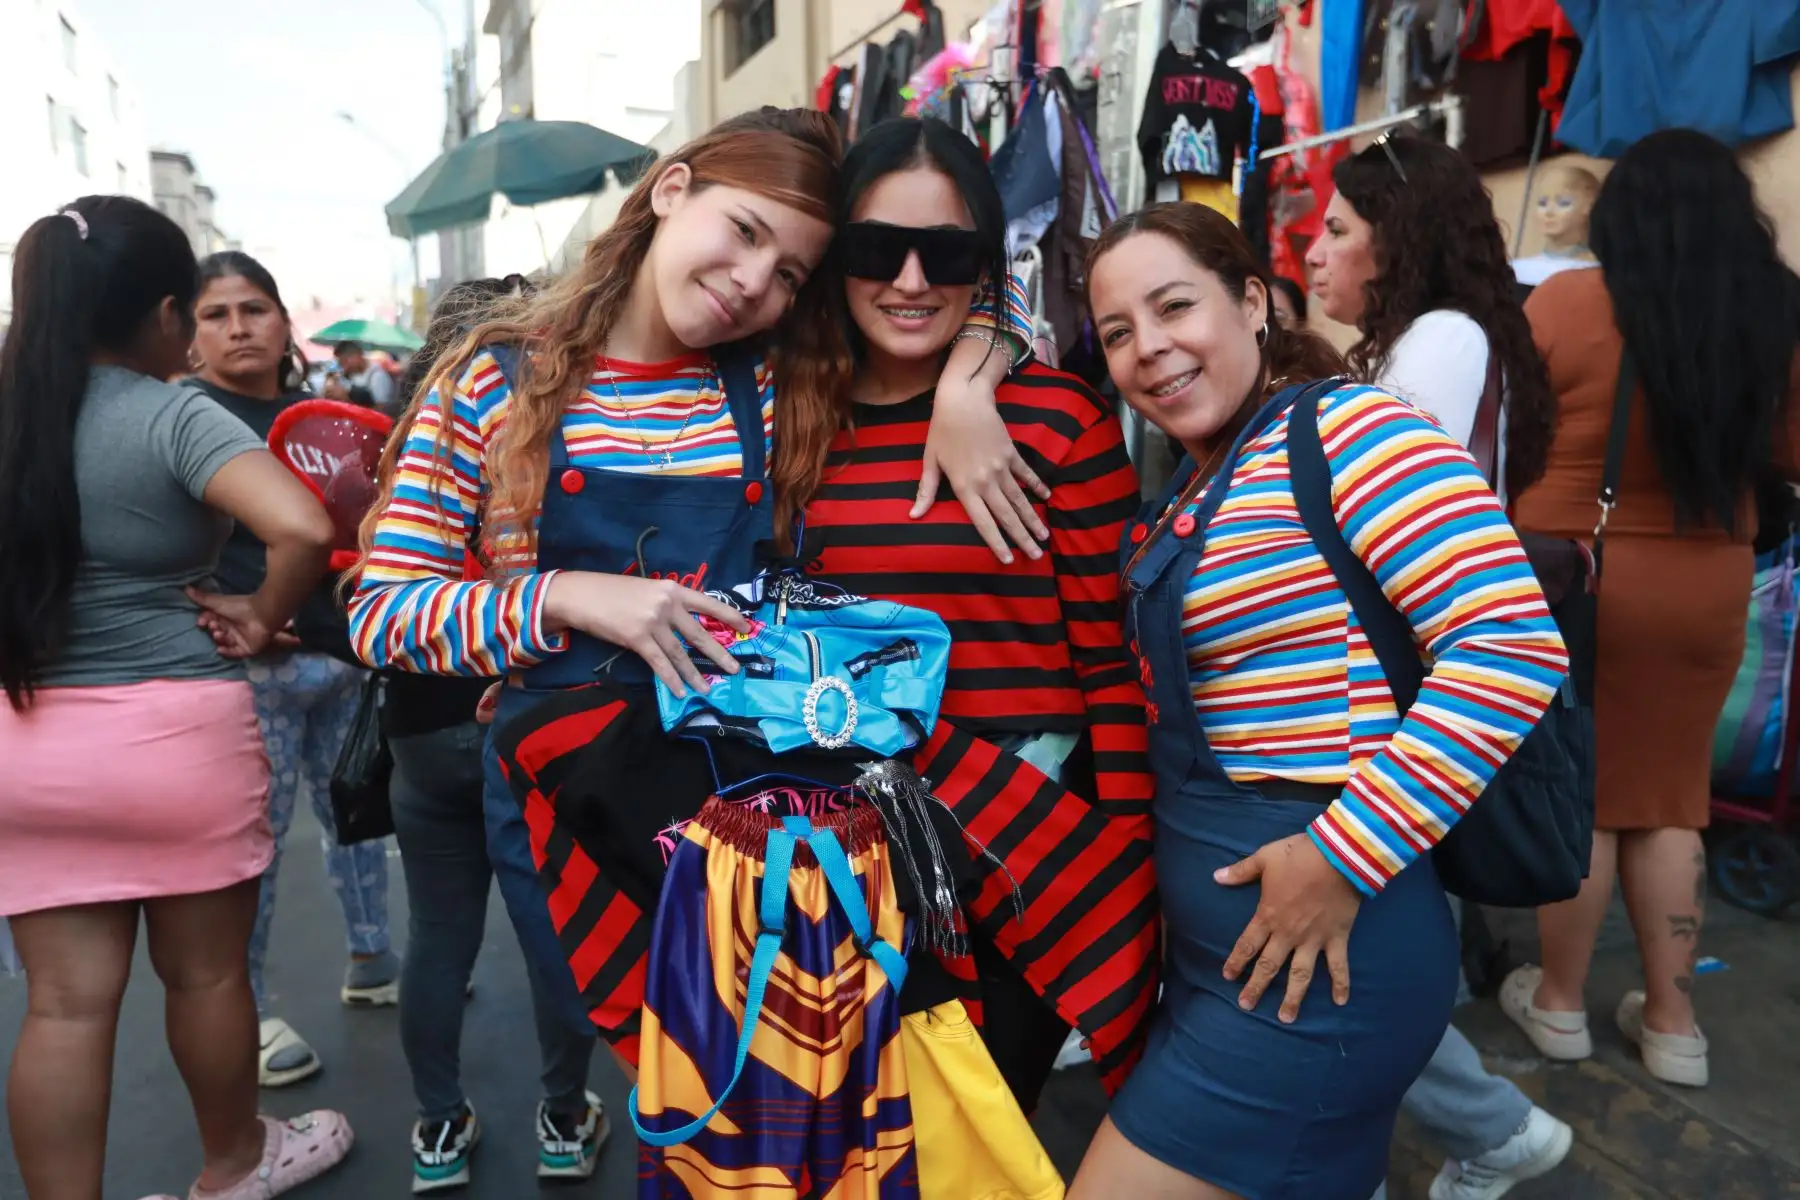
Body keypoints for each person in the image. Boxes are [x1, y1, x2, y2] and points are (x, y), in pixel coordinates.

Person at [350, 107, 1041, 1175]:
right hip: (567, 802)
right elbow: (384, 613)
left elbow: (956, 287)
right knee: (670, 1079)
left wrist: (965, 381)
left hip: (750, 804)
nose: (753, 283)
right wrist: (572, 597)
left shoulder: (775, 375)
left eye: (790, 272)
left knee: (785, 1098)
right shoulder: (496, 378)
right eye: (745, 231)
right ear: (671, 190)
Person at [1071, 201, 1569, 1200]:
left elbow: (1510, 643)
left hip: (1321, 969)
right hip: (1233, 964)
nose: (1148, 348)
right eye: (1118, 333)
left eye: (1174, 307)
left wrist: (1344, 854)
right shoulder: (1205, 479)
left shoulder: (1349, 427)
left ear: (1254, 302)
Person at [794, 114, 1157, 1138]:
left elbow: (1114, 670)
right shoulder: (789, 420)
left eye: (947, 254)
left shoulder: (1057, 422)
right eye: (878, 248)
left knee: (968, 1146)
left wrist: (1129, 878)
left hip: (1022, 859)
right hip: (830, 860)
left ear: (986, 265)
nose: (911, 280)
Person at [0, 197, 351, 1200]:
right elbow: (301, 527)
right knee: (206, 976)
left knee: (63, 1007)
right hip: (175, 740)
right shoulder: (171, 413)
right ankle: (235, 1165)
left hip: (27, 743)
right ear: (165, 315)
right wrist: (259, 615)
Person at [1504, 128, 1800, 1091]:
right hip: (1706, 578)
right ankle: (1675, 1026)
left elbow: (1515, 430)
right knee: (1672, 800)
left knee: (1583, 791)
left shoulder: (1567, 301)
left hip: (1574, 574)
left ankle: (1558, 1003)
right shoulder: (1775, 313)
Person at [1307, 133, 1572, 1200]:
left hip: (1407, 681)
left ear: (1396, 237)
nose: (1314, 250)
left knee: (1366, 949)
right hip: (1408, 675)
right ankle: (1483, 1131)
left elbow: (1370, 530)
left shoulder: (1441, 343)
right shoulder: (1437, 340)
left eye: (1336, 229)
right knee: (1367, 949)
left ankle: (1491, 1130)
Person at [378, 275, 603, 1192]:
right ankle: (563, 1119)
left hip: (424, 727)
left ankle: (438, 1126)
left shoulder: (405, 453)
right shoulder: (557, 438)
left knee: (438, 935)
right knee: (557, 925)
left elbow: (367, 592)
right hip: (536, 714)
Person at [188, 251, 396, 1090]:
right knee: (254, 848)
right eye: (216, 313)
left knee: (359, 818)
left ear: (283, 323)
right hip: (244, 676)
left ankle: (372, 958)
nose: (238, 327)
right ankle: (247, 1010)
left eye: (254, 308)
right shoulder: (181, 419)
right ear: (190, 334)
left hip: (339, 658)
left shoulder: (328, 420)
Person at [328, 340, 397, 411]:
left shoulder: (377, 375)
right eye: (341, 363)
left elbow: (381, 408)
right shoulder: (350, 374)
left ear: (356, 356)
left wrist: (345, 397)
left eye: (344, 361)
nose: (344, 367)